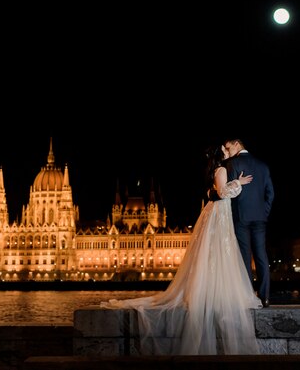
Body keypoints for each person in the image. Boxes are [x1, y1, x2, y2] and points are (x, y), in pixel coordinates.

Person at [101, 145, 263, 355]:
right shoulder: (221, 170)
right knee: (221, 253)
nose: (227, 150)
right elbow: (223, 192)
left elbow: (211, 192)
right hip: (220, 213)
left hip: (215, 214)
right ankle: (218, 294)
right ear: (221, 155)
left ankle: (210, 292)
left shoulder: (214, 171)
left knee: (215, 254)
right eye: (224, 149)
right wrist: (238, 183)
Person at [224, 138, 274, 308]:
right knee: (261, 256)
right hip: (260, 218)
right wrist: (263, 212)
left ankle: (248, 297)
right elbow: (270, 194)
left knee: (244, 256)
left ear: (237, 144)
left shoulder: (233, 164)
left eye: (228, 148)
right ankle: (265, 297)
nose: (227, 151)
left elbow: (228, 194)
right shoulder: (263, 165)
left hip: (241, 217)